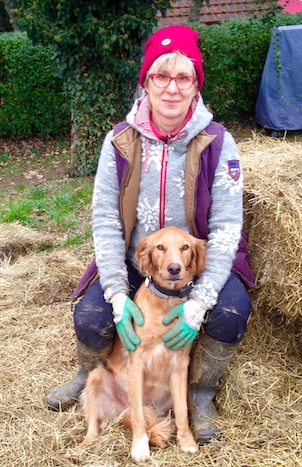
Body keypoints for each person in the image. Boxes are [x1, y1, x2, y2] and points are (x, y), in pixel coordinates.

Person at [45, 25, 255, 444]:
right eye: (161, 76)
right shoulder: (119, 141)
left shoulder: (218, 142)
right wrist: (119, 293)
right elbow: (105, 219)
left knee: (230, 314)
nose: (172, 88)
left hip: (193, 259)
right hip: (138, 259)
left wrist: (199, 300)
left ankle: (199, 392)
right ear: (146, 82)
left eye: (183, 77)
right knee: (90, 319)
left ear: (196, 85)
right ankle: (90, 374)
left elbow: (228, 225)